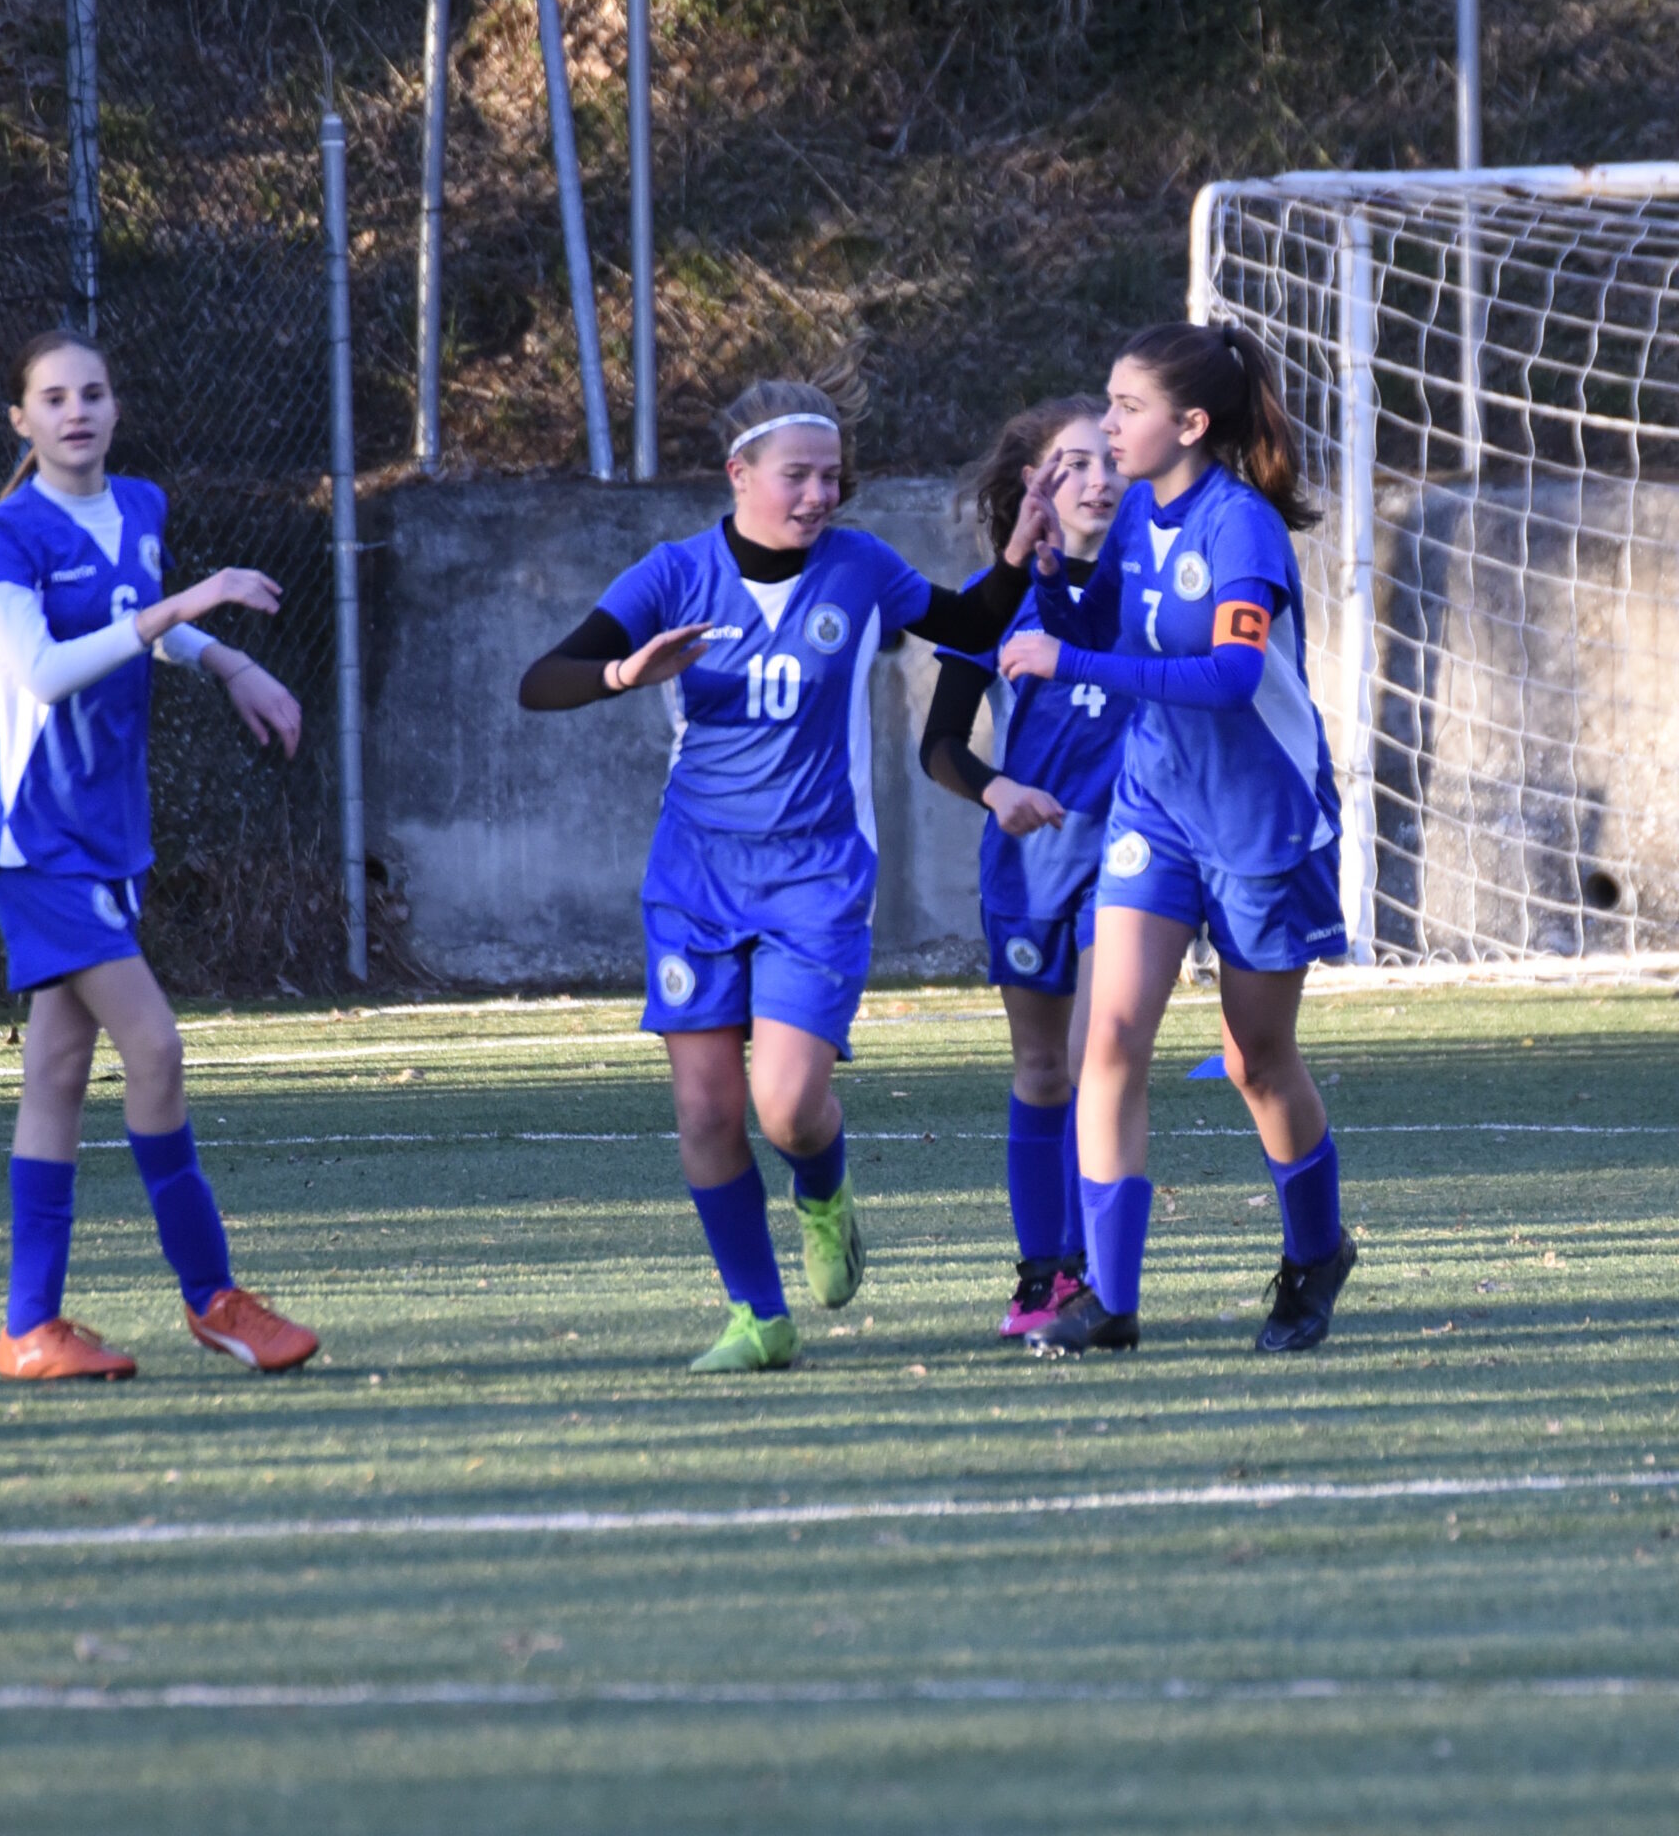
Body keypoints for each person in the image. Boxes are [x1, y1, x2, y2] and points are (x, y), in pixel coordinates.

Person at [517, 378, 1035, 1372]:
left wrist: (1016, 560)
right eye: (795, 475)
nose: (817, 495)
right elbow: (542, 682)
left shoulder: (859, 568)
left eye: (830, 477)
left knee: (786, 1107)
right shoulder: (673, 575)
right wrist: (625, 671)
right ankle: (758, 1317)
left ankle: (824, 1190)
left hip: (817, 876)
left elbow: (968, 629)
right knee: (707, 1110)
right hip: (694, 878)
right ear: (739, 475)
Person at [0, 328, 319, 1382]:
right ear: (20, 421)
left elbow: (141, 626)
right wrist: (188, 605)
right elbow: (39, 671)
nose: (77, 410)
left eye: (95, 392)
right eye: (53, 397)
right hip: (36, 837)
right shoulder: (0, 535)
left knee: (57, 1074)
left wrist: (225, 661)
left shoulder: (142, 510)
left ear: (115, 408)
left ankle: (31, 1326)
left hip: (109, 831)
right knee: (154, 1047)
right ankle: (213, 1297)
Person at [998, 322, 1355, 1358]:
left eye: (1126, 409)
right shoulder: (1141, 516)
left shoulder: (1239, 529)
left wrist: (1072, 663)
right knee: (1107, 1040)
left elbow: (1231, 679)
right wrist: (1050, 563)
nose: (1106, 429)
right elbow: (1095, 625)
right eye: (1107, 406)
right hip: (1155, 809)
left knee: (1256, 1060)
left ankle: (1315, 1253)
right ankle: (1108, 1300)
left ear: (1190, 424)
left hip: (1260, 821)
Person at [917, 399, 1132, 1337]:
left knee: (1098, 1061)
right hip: (1029, 868)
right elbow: (939, 746)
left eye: (1109, 461)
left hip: (1130, 862)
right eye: (1072, 465)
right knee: (1044, 1070)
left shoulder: (1155, 589)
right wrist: (996, 789)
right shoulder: (995, 598)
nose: (1097, 480)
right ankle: (1041, 1276)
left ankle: (1094, 1277)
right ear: (1030, 489)